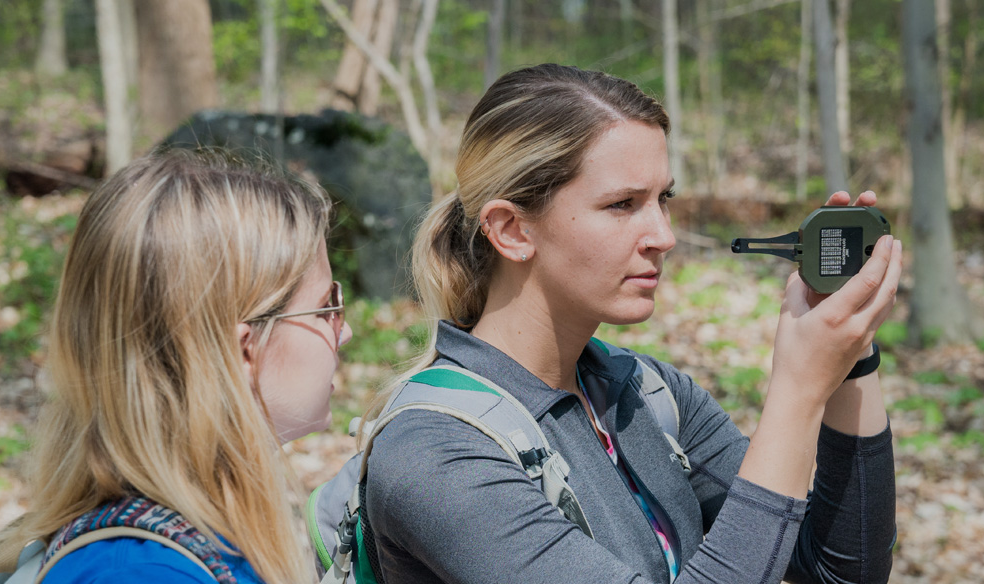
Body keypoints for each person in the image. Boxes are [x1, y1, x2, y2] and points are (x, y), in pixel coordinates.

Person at [361, 64, 901, 583]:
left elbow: (840, 567)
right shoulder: (436, 452)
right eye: (622, 204)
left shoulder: (647, 395)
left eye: (662, 199)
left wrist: (854, 349)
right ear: (512, 230)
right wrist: (799, 392)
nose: (663, 236)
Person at [0, 150, 351, 584]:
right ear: (242, 350)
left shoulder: (198, 537)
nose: (343, 333)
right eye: (326, 307)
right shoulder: (138, 573)